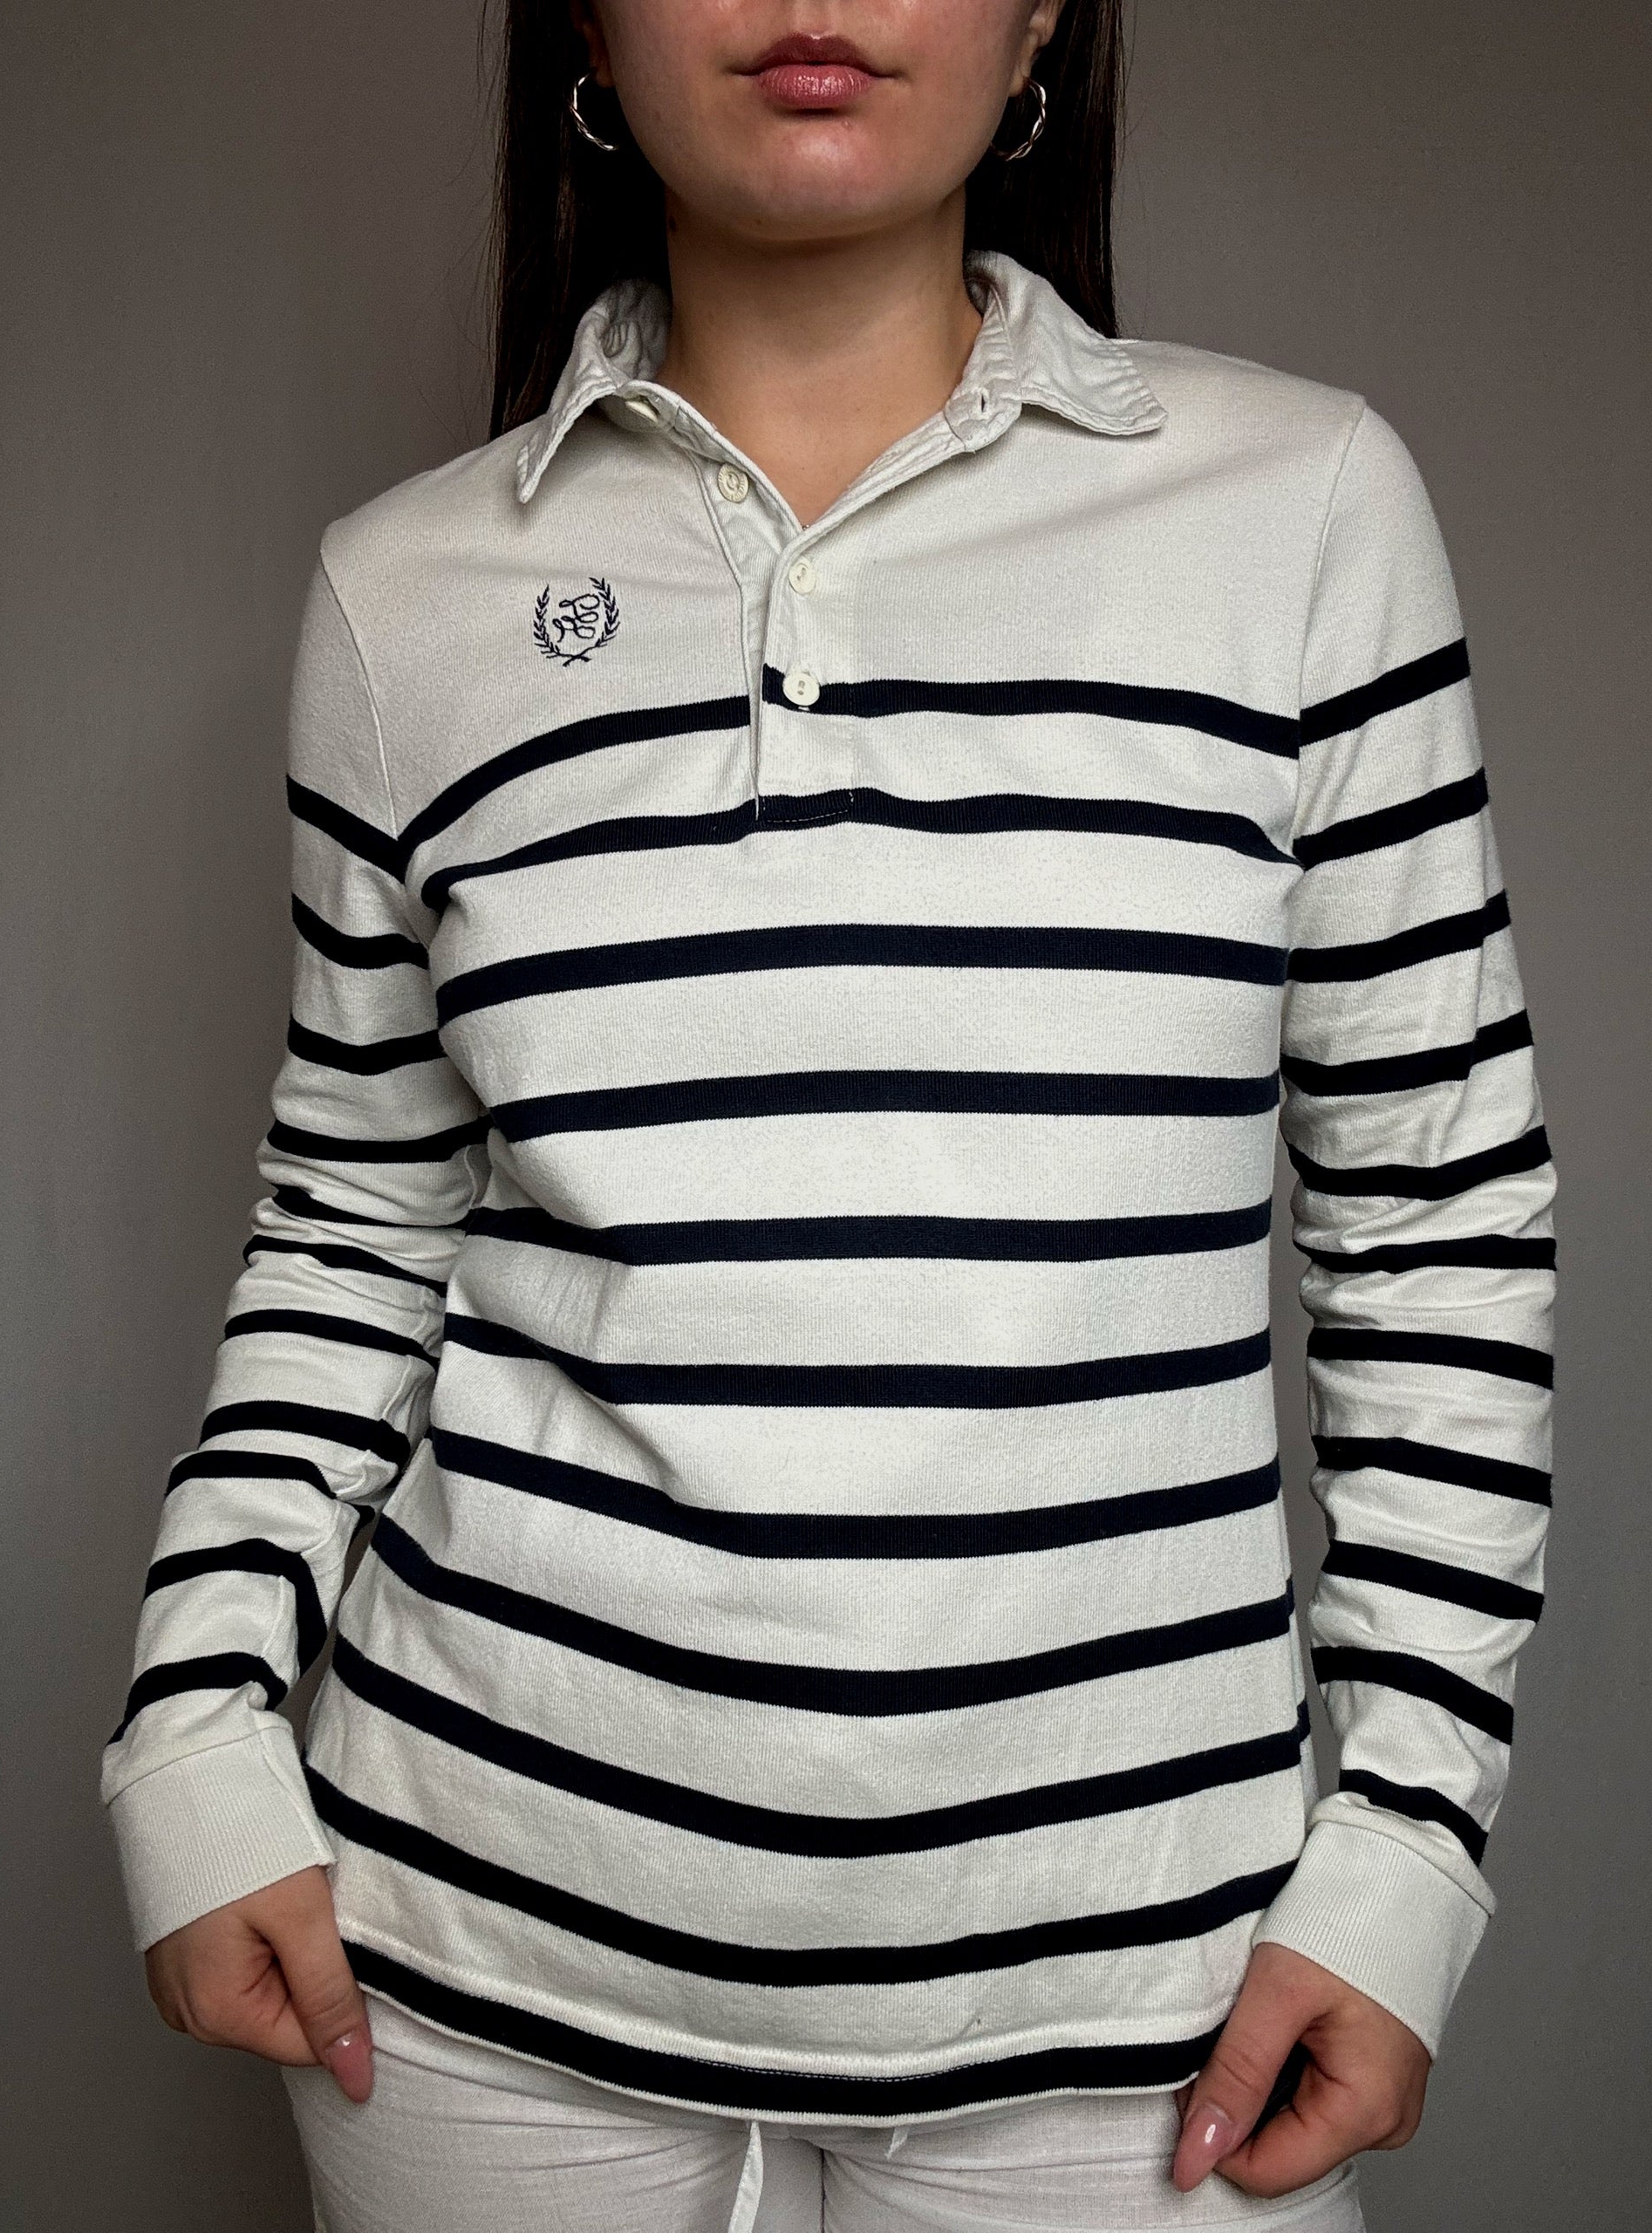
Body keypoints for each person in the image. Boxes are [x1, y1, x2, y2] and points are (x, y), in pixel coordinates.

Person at [100, 3, 1556, 2228]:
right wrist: (198, 1738)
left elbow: (1435, 1220)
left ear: (1042, 12)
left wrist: (1403, 1854)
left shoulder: (1305, 515)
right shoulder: (404, 600)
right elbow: (352, 1229)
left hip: (1141, 1987)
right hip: (464, 1968)